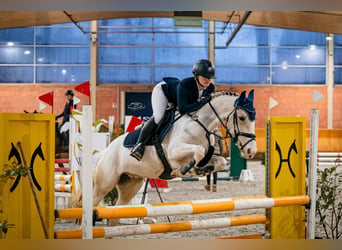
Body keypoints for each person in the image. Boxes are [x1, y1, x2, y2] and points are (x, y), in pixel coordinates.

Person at [130, 59, 216, 161]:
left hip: (178, 99)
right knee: (159, 117)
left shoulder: (210, 88)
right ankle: (139, 145)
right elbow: (183, 109)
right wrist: (201, 102)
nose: (208, 80)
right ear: (196, 76)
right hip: (163, 92)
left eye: (210, 77)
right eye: (205, 77)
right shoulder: (185, 84)